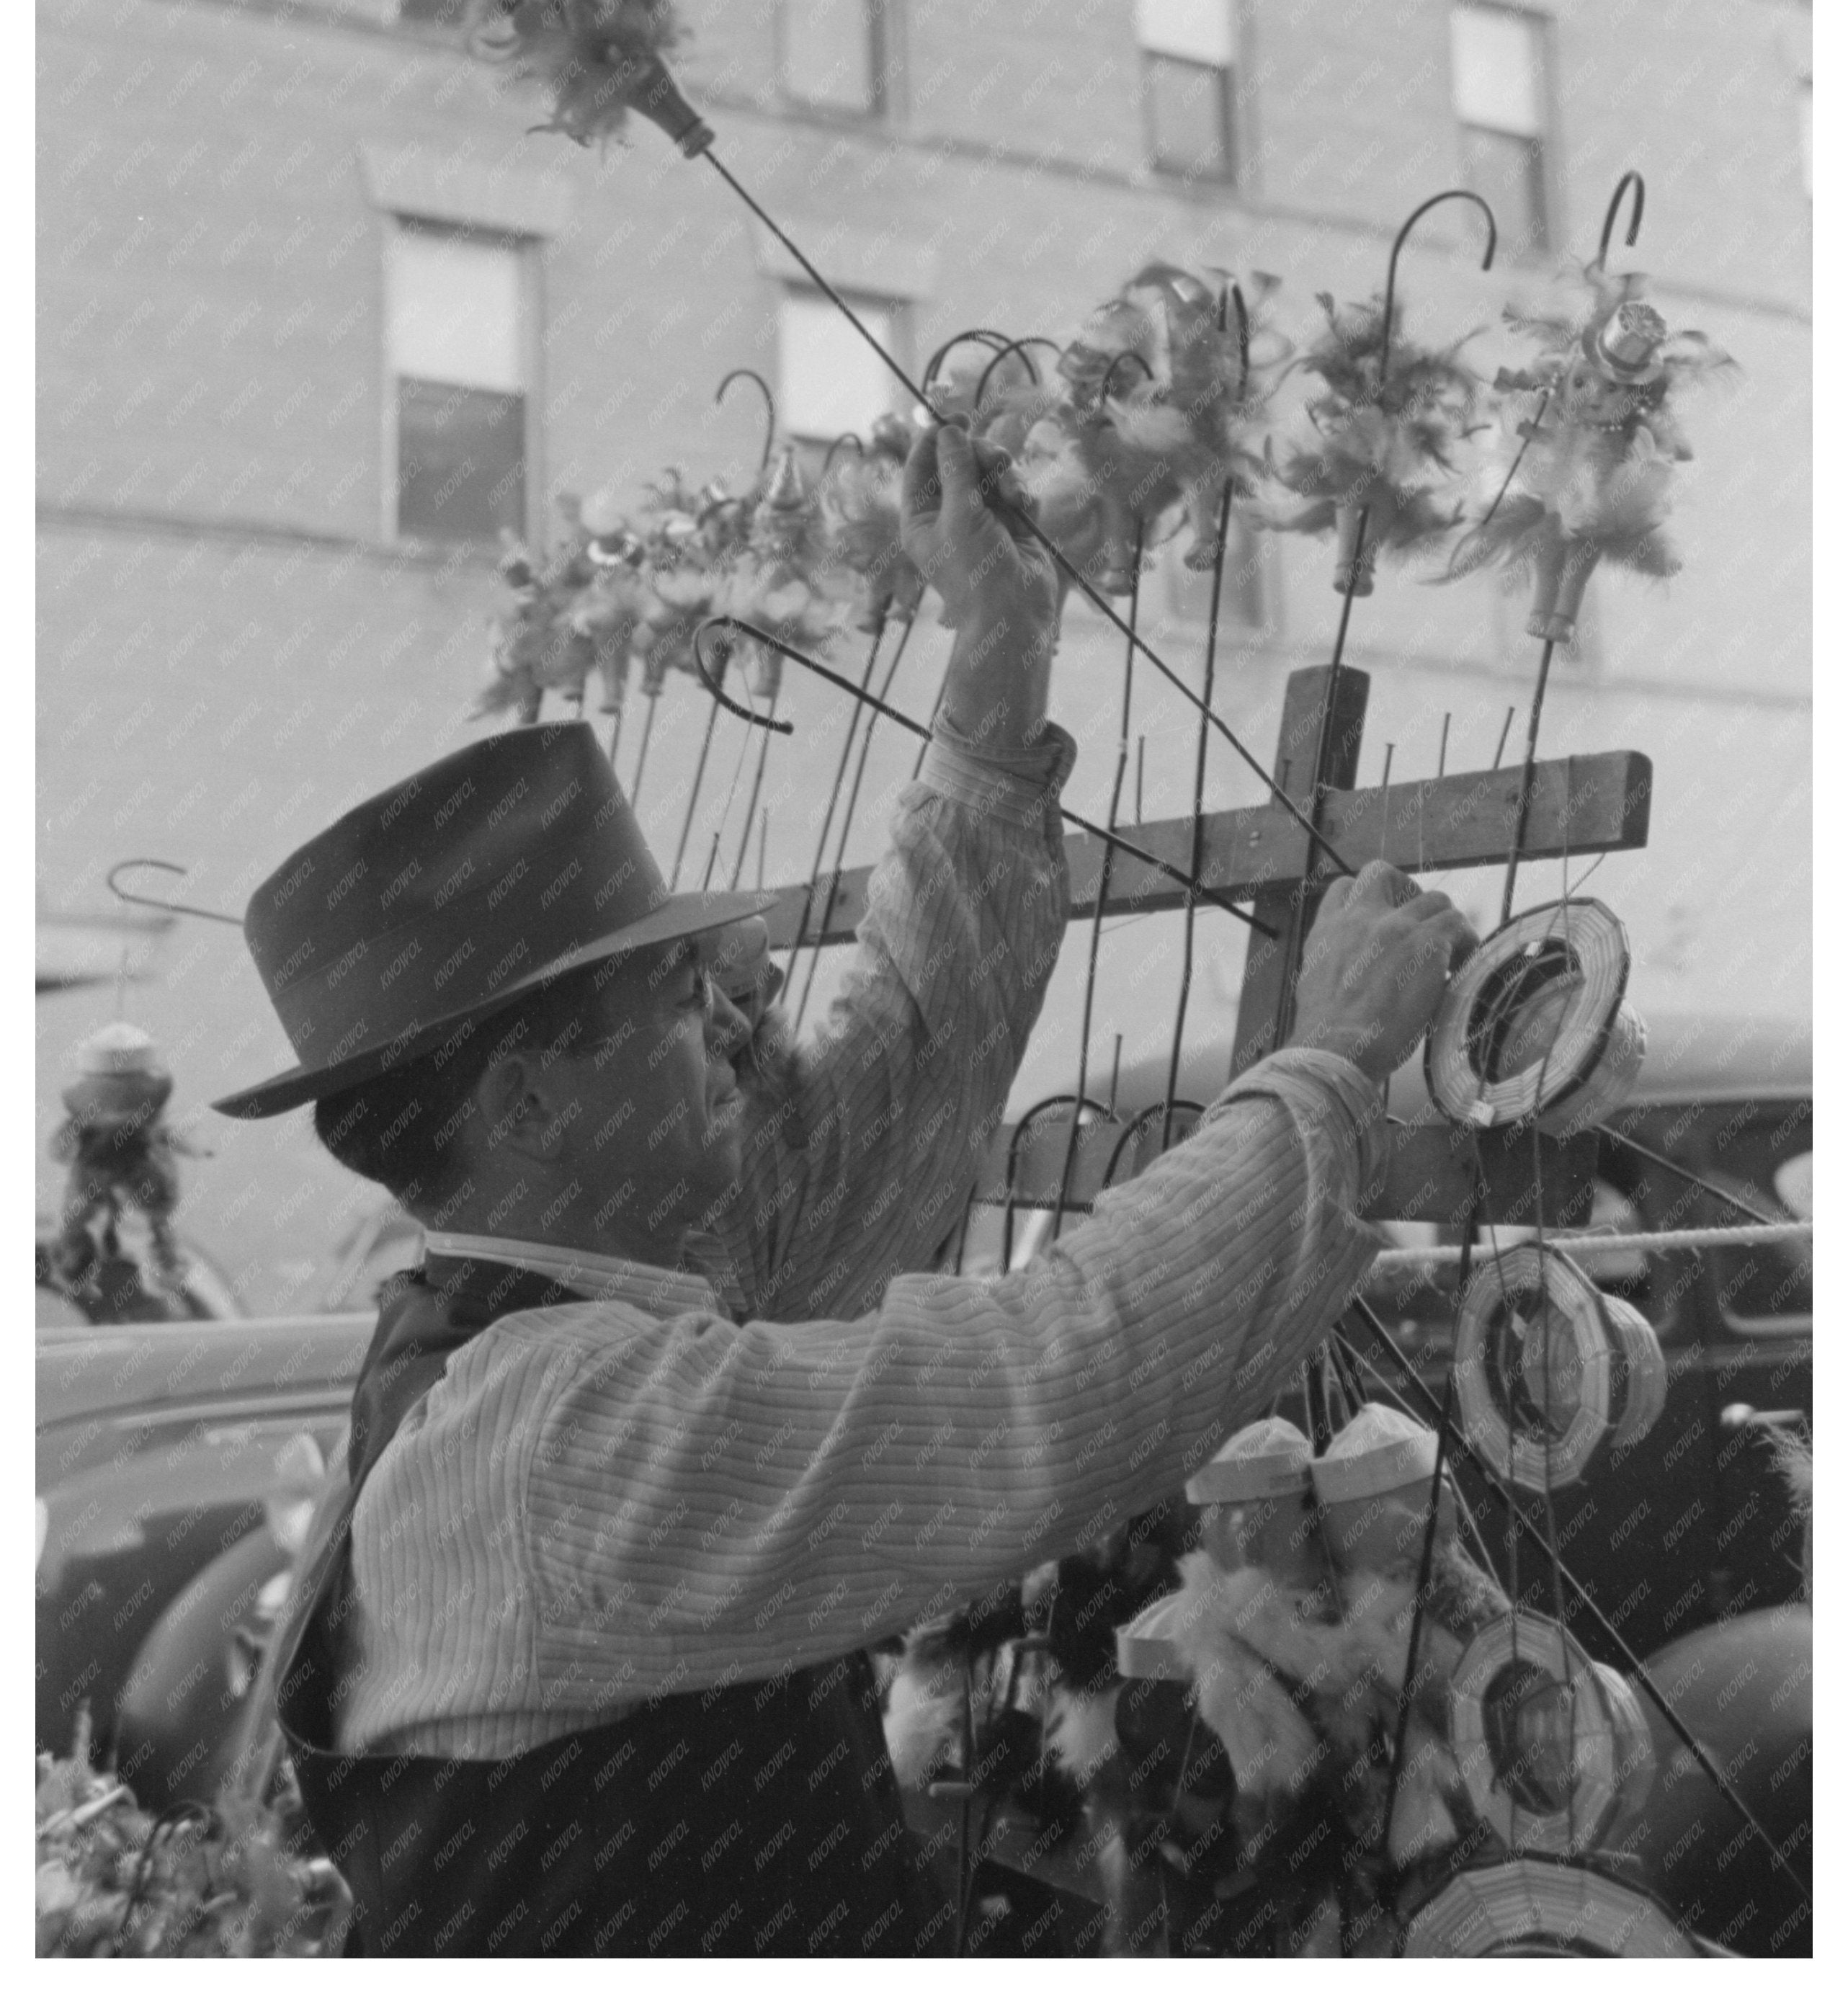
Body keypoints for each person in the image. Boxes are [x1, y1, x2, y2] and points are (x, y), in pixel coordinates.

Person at [218, 422, 1473, 1957]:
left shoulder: (565, 1312)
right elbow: (1036, 1386)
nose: (737, 1021)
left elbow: (874, 1113)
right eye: (676, 1004)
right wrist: (1329, 1061)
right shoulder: (544, 1439)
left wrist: (995, 670)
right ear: (531, 1100)